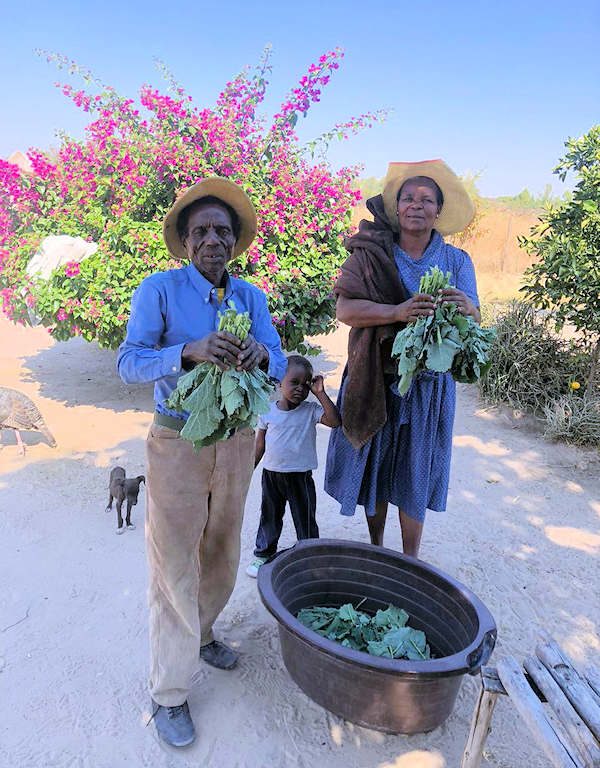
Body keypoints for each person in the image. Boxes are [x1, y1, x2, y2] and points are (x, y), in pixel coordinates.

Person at [117, 177, 287, 748]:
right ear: (186, 242)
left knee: (222, 549)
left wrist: (264, 353)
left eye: (222, 230)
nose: (212, 239)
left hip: (237, 443)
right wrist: (185, 352)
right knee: (172, 561)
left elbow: (278, 359)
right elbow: (129, 362)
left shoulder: (252, 298)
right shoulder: (159, 291)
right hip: (178, 443)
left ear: (235, 242)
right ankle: (170, 692)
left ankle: (205, 631)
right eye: (201, 231)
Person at [325, 159, 480, 559]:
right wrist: (396, 312)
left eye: (427, 199)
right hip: (377, 376)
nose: (416, 205)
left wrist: (466, 307)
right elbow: (345, 310)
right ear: (396, 208)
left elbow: (476, 317)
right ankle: (377, 550)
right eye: (408, 197)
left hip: (428, 387)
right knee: (375, 467)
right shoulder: (373, 254)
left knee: (415, 470)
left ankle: (410, 559)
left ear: (439, 211)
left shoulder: (457, 262)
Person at [246, 355, 340, 577]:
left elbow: (335, 421)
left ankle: (310, 556)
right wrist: (248, 469)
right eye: (293, 382)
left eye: (305, 384)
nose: (299, 389)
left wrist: (320, 393)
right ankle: (263, 555)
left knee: (305, 518)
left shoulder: (310, 411)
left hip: (300, 477)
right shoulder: (267, 411)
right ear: (279, 382)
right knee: (269, 516)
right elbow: (259, 445)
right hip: (271, 475)